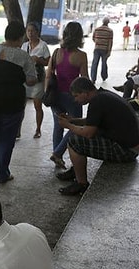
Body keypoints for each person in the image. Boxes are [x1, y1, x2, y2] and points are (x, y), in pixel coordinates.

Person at [56, 77, 139, 195]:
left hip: (126, 151)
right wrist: (73, 120)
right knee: (78, 137)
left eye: (76, 96)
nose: (75, 100)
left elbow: (88, 133)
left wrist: (68, 126)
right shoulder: (102, 95)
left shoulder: (97, 102)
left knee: (74, 142)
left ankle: (81, 184)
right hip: (130, 145)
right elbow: (92, 120)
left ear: (85, 93)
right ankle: (76, 170)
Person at [0, 22, 36, 184]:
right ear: (20, 38)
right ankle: (3, 174)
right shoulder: (23, 56)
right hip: (12, 105)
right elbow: (32, 80)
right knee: (6, 140)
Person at [46, 21, 89, 169]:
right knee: (74, 125)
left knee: (58, 125)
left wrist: (47, 93)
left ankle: (57, 156)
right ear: (79, 36)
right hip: (73, 97)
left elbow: (48, 75)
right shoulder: (81, 56)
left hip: (56, 95)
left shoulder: (57, 52)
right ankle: (58, 153)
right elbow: (84, 79)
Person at [21, 22, 50, 139]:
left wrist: (38, 60)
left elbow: (48, 61)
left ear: (37, 32)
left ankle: (38, 129)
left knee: (37, 105)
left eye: (33, 31)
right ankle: (18, 129)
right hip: (25, 79)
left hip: (38, 79)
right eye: (28, 31)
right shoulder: (24, 46)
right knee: (20, 106)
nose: (30, 33)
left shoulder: (43, 46)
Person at [90, 17, 113, 84]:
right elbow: (110, 42)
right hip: (105, 49)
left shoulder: (97, 29)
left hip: (97, 48)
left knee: (94, 63)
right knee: (104, 63)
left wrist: (98, 43)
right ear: (108, 22)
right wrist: (109, 51)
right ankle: (104, 76)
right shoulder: (110, 31)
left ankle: (93, 78)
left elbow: (93, 38)